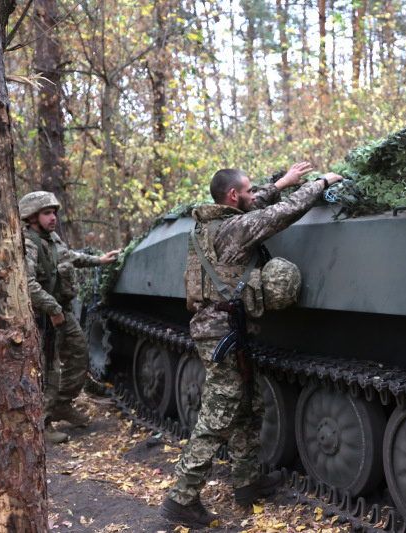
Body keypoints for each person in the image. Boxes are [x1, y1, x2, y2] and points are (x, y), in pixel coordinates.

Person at [160, 162, 344, 529]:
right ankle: (181, 498)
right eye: (247, 190)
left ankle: (247, 482)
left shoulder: (209, 224)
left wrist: (283, 182)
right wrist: (320, 183)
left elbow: (257, 202)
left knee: (247, 405)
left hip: (219, 331)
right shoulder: (236, 228)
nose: (252, 193)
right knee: (217, 419)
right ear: (233, 197)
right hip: (223, 334)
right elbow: (280, 214)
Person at [19, 191, 121, 444]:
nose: (53, 217)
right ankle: (44, 422)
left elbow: (69, 257)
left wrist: (98, 260)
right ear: (32, 217)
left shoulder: (51, 238)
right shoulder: (28, 243)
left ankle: (63, 404)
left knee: (79, 357)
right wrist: (52, 309)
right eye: (46, 213)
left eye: (54, 212)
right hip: (44, 314)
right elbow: (26, 283)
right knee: (50, 368)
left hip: (61, 310)